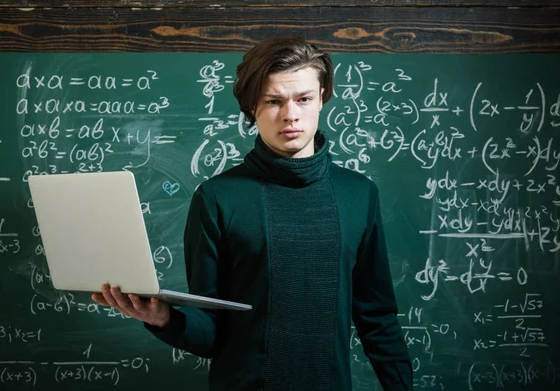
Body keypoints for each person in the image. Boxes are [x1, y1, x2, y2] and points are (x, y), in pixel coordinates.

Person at [92, 36, 412, 390]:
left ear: (322, 97)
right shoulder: (217, 198)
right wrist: (165, 319)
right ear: (251, 108)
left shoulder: (358, 195)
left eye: (303, 99)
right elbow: (210, 332)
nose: (291, 114)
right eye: (273, 101)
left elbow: (378, 319)